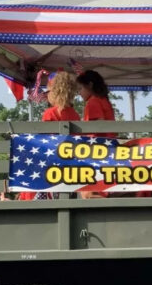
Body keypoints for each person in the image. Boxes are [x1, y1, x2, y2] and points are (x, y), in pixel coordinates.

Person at [17, 72, 81, 201]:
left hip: (52, 165)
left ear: (54, 92)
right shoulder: (75, 114)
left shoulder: (50, 113)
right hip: (71, 164)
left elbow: (44, 142)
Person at [76, 70, 116, 198]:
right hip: (110, 152)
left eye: (81, 88)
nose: (79, 92)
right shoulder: (104, 100)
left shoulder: (93, 102)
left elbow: (98, 127)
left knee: (88, 193)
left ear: (90, 85)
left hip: (97, 153)